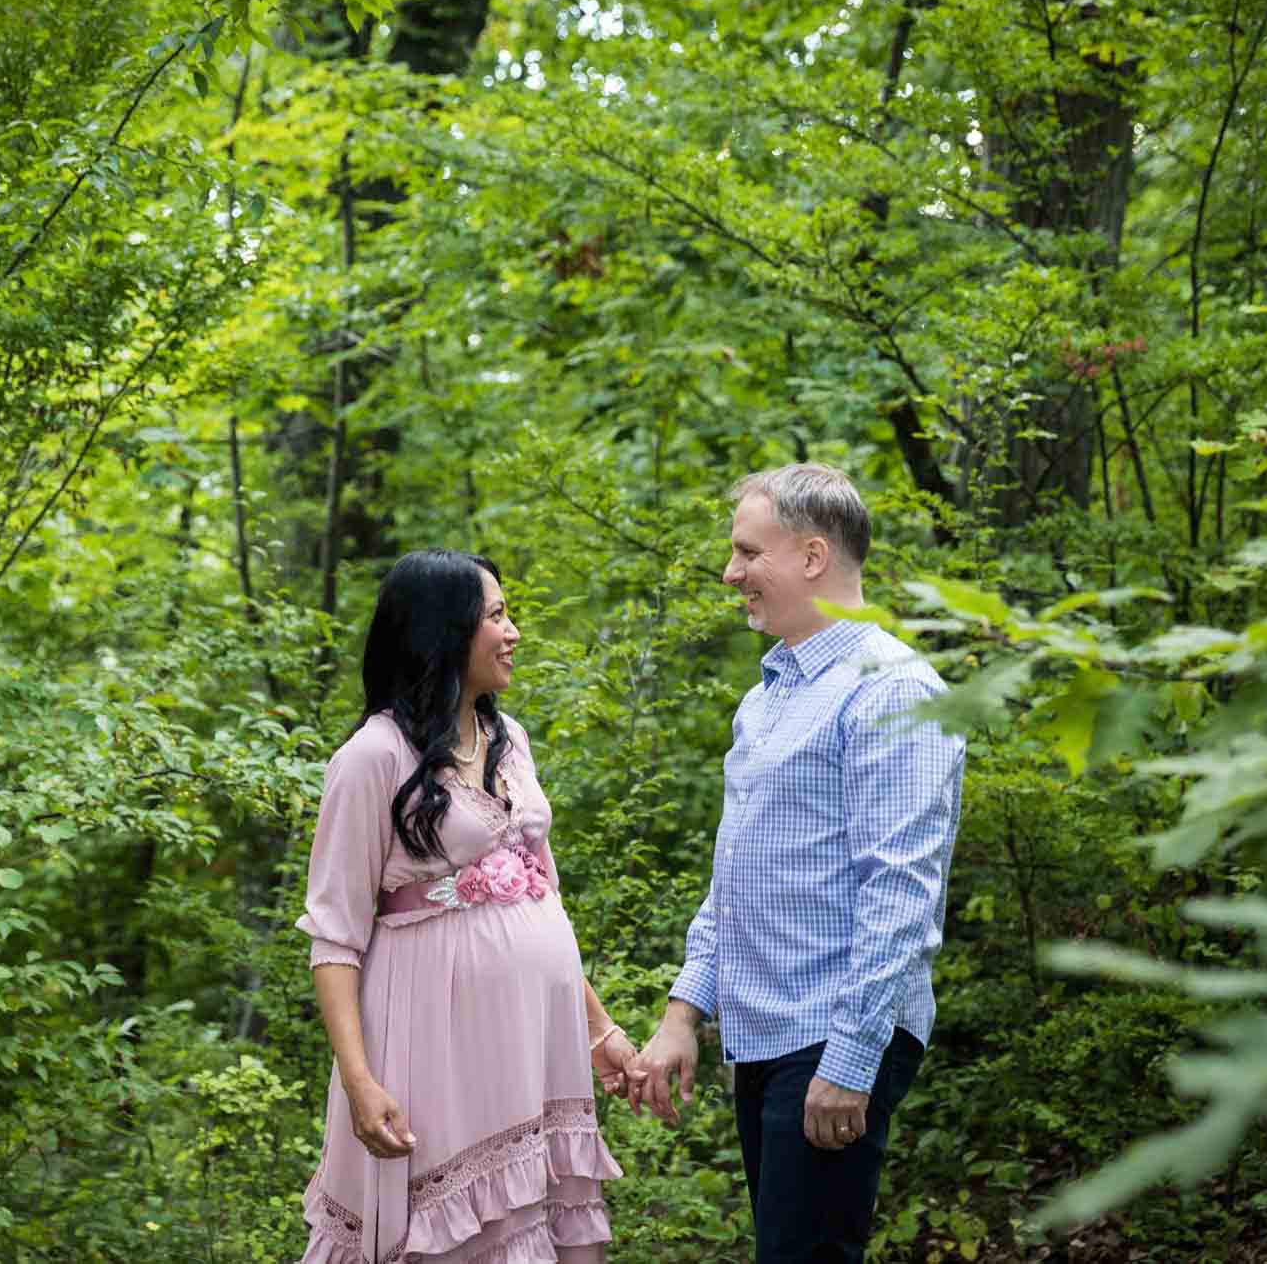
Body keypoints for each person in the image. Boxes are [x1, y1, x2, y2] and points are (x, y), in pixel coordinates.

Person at [626, 464, 965, 1263]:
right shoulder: (769, 696)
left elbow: (902, 894)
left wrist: (851, 1059)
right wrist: (684, 1013)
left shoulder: (893, 689)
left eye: (748, 552)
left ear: (813, 556)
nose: (730, 572)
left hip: (837, 1028)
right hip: (766, 1032)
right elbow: (734, 874)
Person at [297, 549, 629, 1264]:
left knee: (537, 1221)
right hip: (433, 1046)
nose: (513, 633)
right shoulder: (371, 757)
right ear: (445, 631)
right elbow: (333, 939)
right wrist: (359, 1080)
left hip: (537, 1048)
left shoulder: (512, 743)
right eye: (498, 616)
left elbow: (544, 898)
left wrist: (600, 1030)